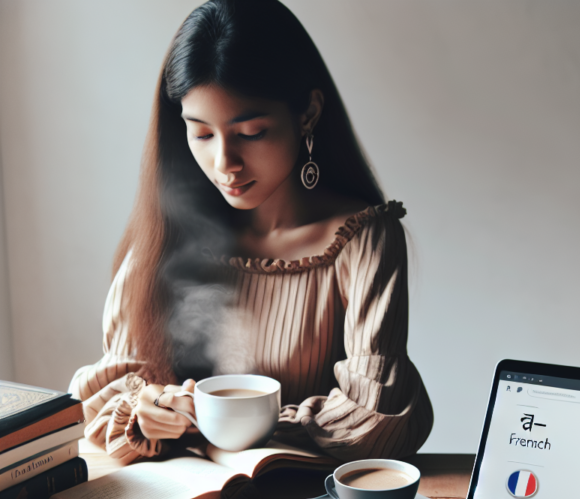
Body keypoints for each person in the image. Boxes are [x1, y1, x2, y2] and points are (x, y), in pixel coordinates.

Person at [70, 0, 432, 464]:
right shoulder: (169, 237)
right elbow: (101, 404)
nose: (225, 164)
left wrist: (213, 421)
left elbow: (373, 414)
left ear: (307, 114)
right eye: (201, 134)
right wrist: (153, 410)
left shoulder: (362, 240)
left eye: (252, 132)